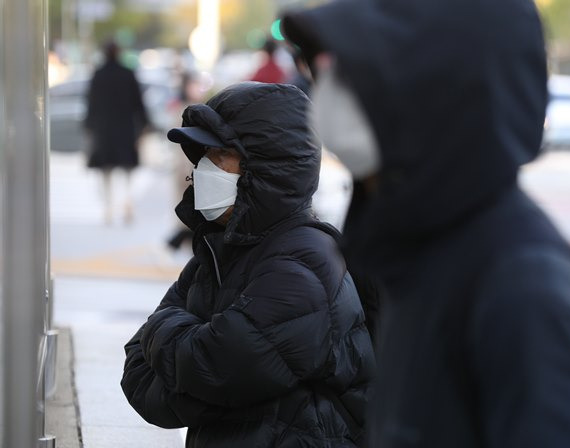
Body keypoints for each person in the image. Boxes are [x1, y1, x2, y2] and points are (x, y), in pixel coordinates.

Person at [282, 0, 570, 447]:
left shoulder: (524, 289)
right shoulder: (418, 253)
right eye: (328, 69)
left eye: (358, 72)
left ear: (437, 91)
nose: (327, 91)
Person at [120, 81, 375, 447]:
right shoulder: (220, 251)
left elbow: (213, 367)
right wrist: (204, 376)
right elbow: (139, 376)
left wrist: (164, 332)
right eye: (203, 154)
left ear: (265, 168)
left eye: (220, 154)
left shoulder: (301, 263)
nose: (203, 168)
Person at [84, 40, 149, 224]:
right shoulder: (128, 74)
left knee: (105, 171)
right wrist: (144, 125)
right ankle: (127, 200)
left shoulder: (98, 75)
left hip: (104, 131)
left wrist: (89, 127)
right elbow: (139, 104)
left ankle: (108, 207)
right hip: (125, 130)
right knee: (127, 169)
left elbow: (90, 105)